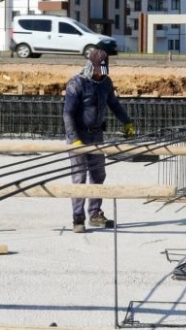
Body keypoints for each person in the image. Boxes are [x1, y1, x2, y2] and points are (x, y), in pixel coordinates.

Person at [63, 44, 135, 234]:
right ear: (90, 66)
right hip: (78, 135)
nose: (100, 75)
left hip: (96, 135)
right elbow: (68, 114)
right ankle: (78, 219)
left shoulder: (106, 83)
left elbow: (114, 105)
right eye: (97, 71)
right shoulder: (76, 83)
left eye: (103, 71)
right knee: (79, 177)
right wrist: (74, 139)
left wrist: (127, 122)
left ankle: (95, 214)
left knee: (98, 175)